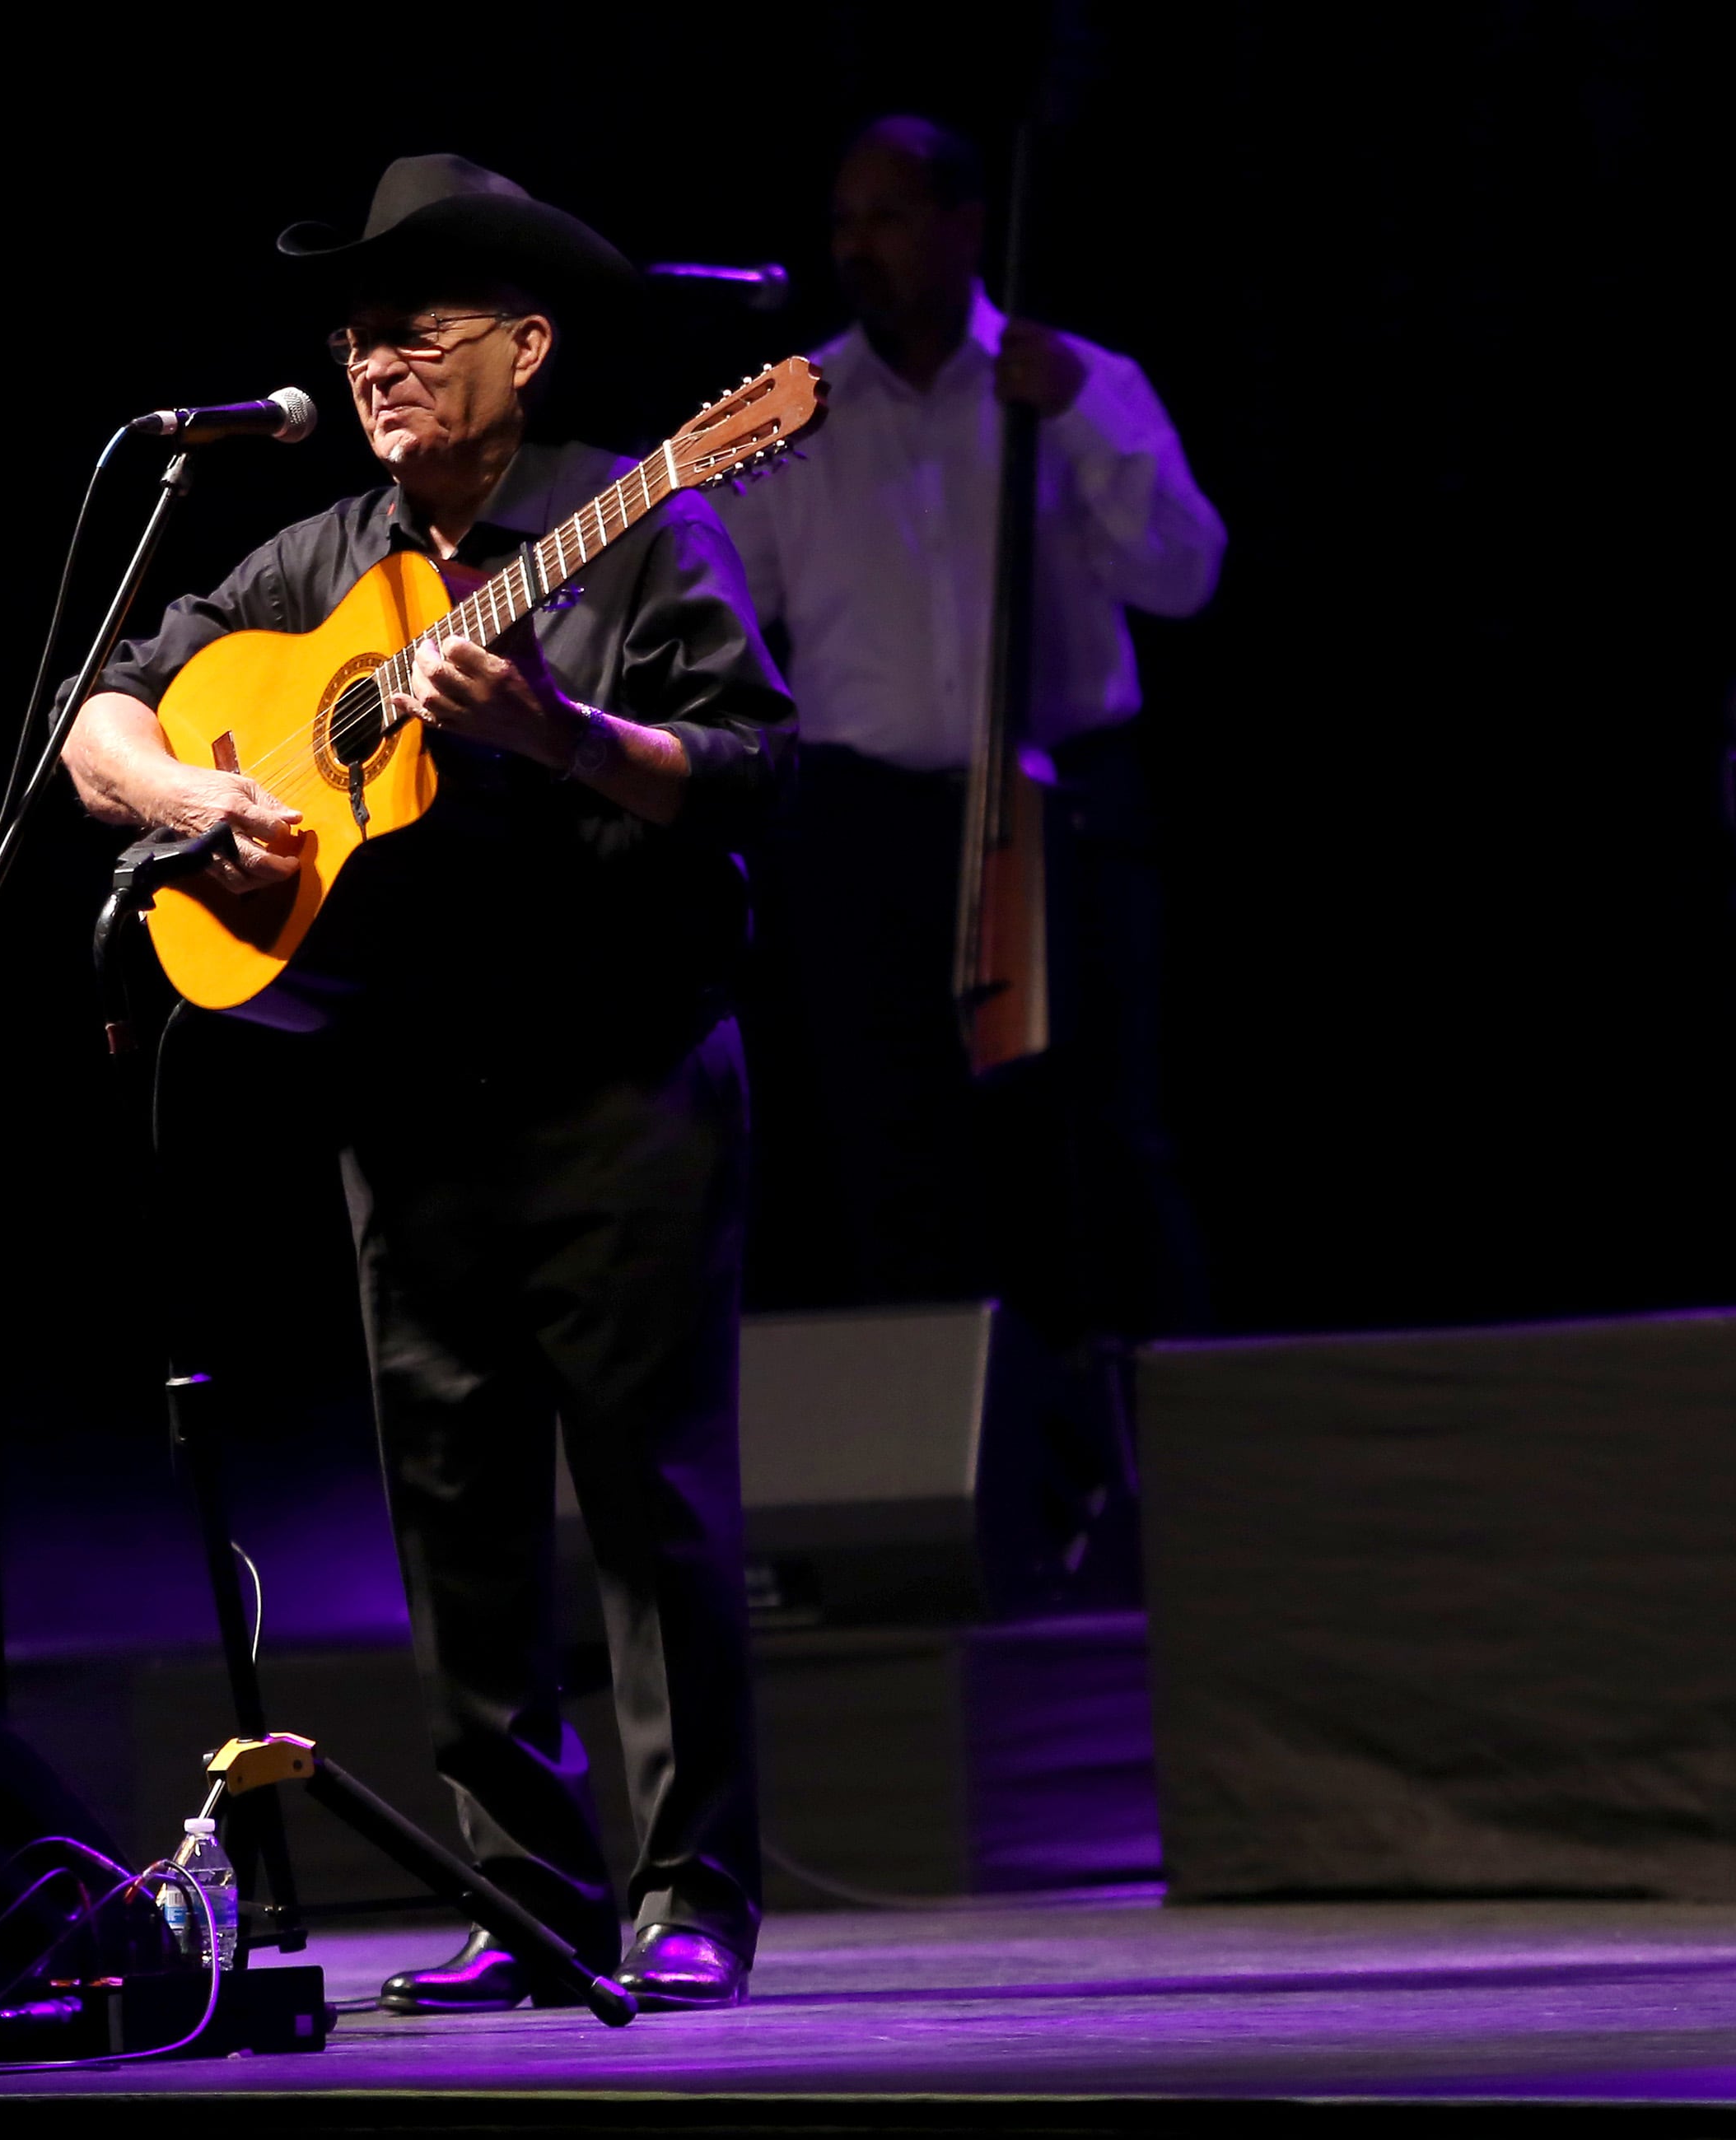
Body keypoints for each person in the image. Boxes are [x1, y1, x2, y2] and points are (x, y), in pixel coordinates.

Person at [63, 155, 792, 2012]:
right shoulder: (303, 562)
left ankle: (687, 1892)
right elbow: (102, 720)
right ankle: (529, 1904)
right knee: (451, 1510)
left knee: (650, 1505)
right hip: (406, 1090)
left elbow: (745, 771)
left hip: (620, 1073)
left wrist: (558, 729)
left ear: (527, 349)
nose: (375, 359)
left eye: (420, 326)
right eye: (357, 332)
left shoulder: (640, 515)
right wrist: (199, 799)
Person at [717, 115, 1224, 1336]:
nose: (856, 247)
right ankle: (936, 1480)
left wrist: (1075, 425)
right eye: (842, 222)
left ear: (960, 228)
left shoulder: (1082, 384)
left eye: (886, 218)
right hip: (868, 825)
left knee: (1091, 1138)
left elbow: (1184, 575)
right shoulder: (802, 412)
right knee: (894, 1149)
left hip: (1060, 812)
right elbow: (726, 603)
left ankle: (1154, 1442)